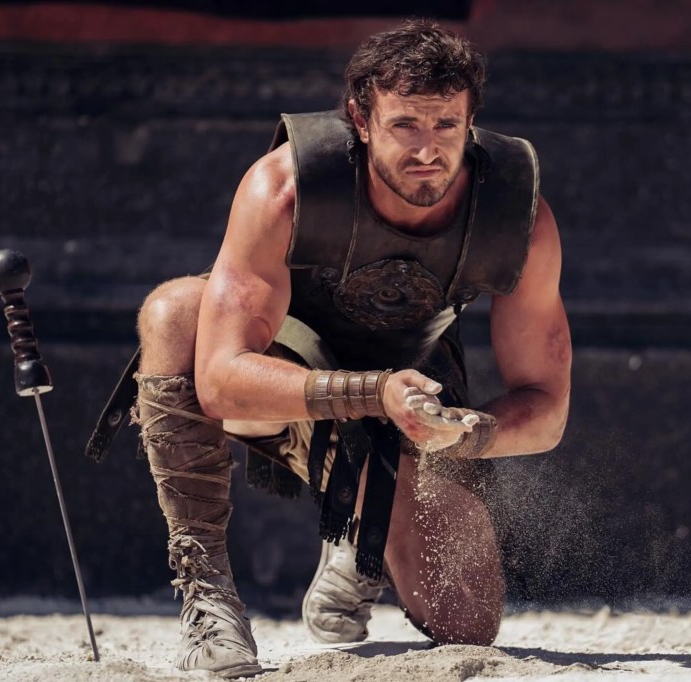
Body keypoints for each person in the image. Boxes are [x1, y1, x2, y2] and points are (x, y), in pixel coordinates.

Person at [129, 18, 571, 679]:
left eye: (447, 125)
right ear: (361, 120)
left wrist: (462, 434)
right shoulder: (285, 188)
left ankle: (358, 525)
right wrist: (373, 392)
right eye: (405, 125)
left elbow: (547, 411)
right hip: (281, 389)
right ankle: (208, 595)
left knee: (467, 619)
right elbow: (220, 381)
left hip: (412, 412)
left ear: (471, 121)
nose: (428, 149)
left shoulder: (517, 217)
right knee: (175, 313)